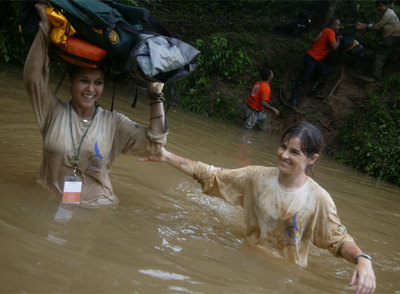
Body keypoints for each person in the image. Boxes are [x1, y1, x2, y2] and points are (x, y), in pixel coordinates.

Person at [140, 122, 376, 293]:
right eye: (283, 147)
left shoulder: (318, 199)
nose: (284, 155)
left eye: (294, 152)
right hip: (243, 262)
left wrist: (362, 259)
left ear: (312, 159)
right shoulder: (256, 177)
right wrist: (166, 156)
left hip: (285, 280)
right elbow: (212, 176)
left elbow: (338, 240)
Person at [23, 3, 167, 207]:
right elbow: (33, 78)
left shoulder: (114, 123)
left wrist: (156, 95)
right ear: (69, 80)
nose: (91, 89)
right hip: (47, 200)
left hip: (96, 209)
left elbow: (155, 144)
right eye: (84, 80)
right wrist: (45, 28)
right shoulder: (52, 111)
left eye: (98, 83)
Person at [290, 18, 342, 108]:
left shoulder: (326, 31)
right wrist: (338, 40)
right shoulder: (330, 31)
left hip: (316, 59)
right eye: (337, 25)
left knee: (325, 71)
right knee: (304, 77)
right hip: (312, 58)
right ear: (332, 25)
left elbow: (329, 50)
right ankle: (293, 98)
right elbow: (334, 47)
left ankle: (313, 89)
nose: (338, 27)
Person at [355, 0, 400, 81]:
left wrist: (364, 26)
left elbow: (376, 26)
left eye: (380, 6)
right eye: (378, 6)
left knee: (380, 55)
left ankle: (375, 77)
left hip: (393, 37)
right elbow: (375, 23)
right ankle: (379, 73)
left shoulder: (388, 14)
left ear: (386, 5)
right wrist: (364, 25)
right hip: (391, 36)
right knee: (381, 53)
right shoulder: (385, 13)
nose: (378, 8)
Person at [242, 67, 280, 131]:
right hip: (253, 111)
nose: (273, 75)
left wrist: (260, 109)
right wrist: (274, 109)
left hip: (248, 107)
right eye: (272, 74)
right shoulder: (266, 87)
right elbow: (263, 103)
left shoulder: (258, 83)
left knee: (264, 118)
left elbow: (256, 97)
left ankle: (261, 132)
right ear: (269, 77)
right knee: (245, 130)